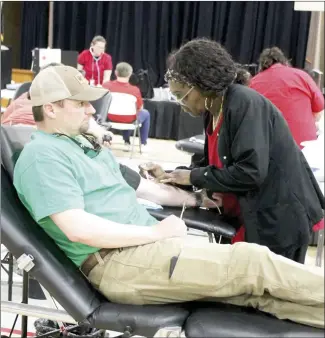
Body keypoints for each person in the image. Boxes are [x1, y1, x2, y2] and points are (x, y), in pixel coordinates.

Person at [12, 64, 324, 329]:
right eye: (80, 104)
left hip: (145, 252)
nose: (91, 109)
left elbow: (145, 188)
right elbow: (76, 228)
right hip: (119, 263)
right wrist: (154, 231)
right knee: (252, 262)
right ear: (50, 109)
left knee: (255, 295)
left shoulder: (84, 147)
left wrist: (198, 199)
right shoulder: (43, 156)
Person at [139, 38, 324, 264]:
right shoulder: (212, 110)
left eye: (182, 96)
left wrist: (193, 176)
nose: (181, 104)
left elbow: (250, 172)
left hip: (277, 220)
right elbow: (214, 168)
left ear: (203, 84)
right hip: (249, 215)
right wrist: (173, 176)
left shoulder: (244, 103)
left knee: (265, 294)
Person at [1, 62, 112, 146]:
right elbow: (91, 127)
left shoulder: (21, 98)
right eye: (81, 103)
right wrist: (101, 136)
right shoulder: (63, 102)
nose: (91, 109)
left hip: (7, 144)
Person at [250, 47, 324, 148]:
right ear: (284, 61)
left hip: (268, 148)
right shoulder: (302, 75)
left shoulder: (253, 83)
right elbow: (319, 110)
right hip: (304, 147)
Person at [103, 62, 151, 151]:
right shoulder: (135, 90)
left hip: (109, 118)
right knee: (145, 113)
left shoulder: (106, 86)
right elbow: (140, 108)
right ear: (130, 74)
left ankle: (126, 140)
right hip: (129, 120)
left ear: (116, 73)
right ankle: (143, 143)